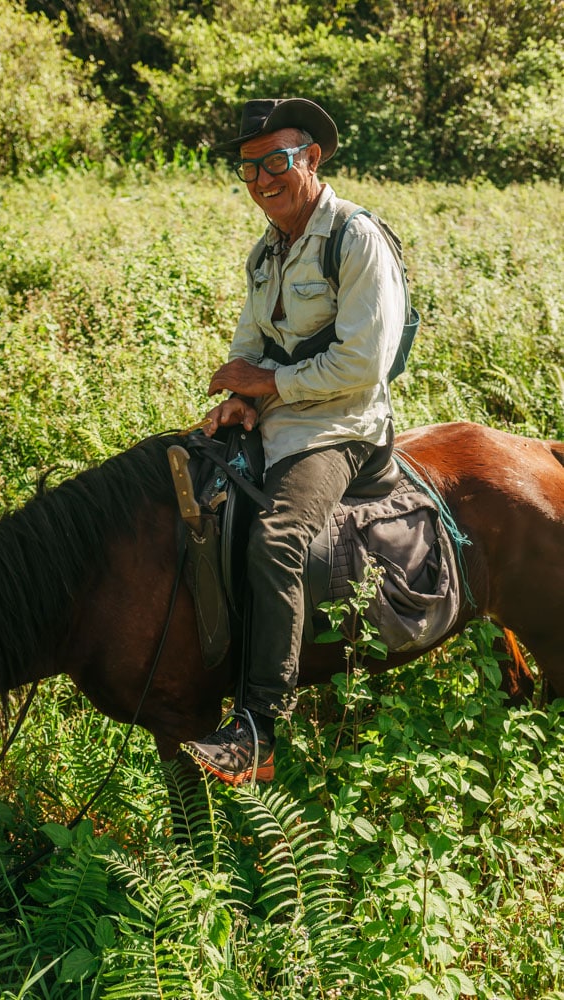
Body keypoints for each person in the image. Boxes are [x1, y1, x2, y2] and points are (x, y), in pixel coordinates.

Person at [181, 98, 405, 785]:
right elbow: (252, 344)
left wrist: (267, 384)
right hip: (277, 418)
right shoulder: (265, 250)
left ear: (310, 158)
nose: (261, 180)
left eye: (275, 162)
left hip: (341, 427)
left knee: (277, 539)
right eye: (248, 167)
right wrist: (240, 400)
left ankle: (259, 727)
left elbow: (363, 362)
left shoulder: (355, 237)